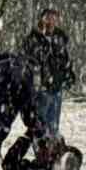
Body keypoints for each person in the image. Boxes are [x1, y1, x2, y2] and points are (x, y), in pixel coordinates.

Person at [21, 7, 75, 136]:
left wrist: (68, 75)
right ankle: (41, 148)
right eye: (48, 18)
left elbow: (65, 59)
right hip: (40, 87)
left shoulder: (60, 38)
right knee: (40, 123)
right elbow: (28, 60)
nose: (51, 21)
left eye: (54, 18)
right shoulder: (34, 38)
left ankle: (52, 149)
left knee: (53, 124)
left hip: (57, 85)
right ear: (42, 19)